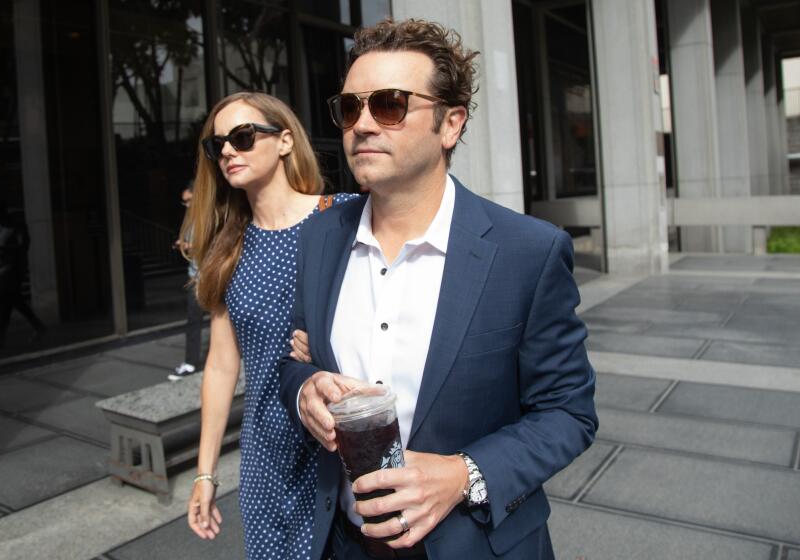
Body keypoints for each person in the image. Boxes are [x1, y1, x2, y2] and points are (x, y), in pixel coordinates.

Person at [279, 19, 598, 560]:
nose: (362, 124)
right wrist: (305, 389)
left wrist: (461, 475)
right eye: (350, 108)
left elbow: (568, 413)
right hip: (343, 542)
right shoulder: (320, 235)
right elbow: (296, 359)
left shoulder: (527, 252)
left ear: (450, 124)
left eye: (389, 105)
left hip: (474, 544)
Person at [182, 92, 358, 560]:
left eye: (241, 137)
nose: (226, 152)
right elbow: (221, 367)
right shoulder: (228, 248)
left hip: (337, 448)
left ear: (284, 141)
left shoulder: (342, 216)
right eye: (216, 145)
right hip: (267, 462)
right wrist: (205, 473)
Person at [0, 201, 45, 348]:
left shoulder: (16, 226)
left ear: (4, 212)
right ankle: (39, 326)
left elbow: (22, 247)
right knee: (15, 302)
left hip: (12, 270)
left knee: (4, 302)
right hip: (0, 270)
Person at [170, 184, 203, 380]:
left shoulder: (207, 216)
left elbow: (211, 242)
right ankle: (190, 362)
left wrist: (188, 245)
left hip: (209, 278)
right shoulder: (190, 219)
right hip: (195, 276)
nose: (186, 205)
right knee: (193, 321)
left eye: (189, 200)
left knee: (224, 323)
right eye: (184, 201)